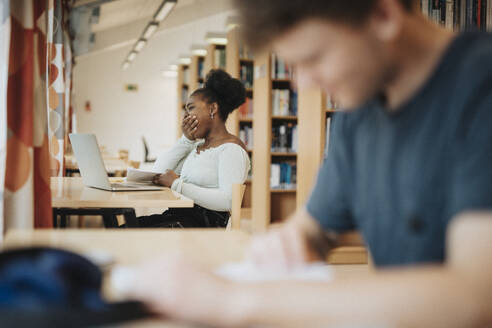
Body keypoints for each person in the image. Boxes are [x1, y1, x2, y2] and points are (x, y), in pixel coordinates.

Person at [128, 0, 492, 326]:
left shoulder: (480, 88)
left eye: (314, 58)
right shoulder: (359, 113)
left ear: (383, 14)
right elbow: (312, 229)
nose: (302, 84)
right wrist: (284, 243)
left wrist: (235, 300)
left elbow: (476, 296)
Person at [138, 69, 250, 228]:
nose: (185, 116)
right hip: (179, 219)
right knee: (124, 227)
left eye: (190, 108)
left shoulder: (231, 150)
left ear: (212, 109)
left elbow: (228, 201)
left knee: (125, 231)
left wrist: (177, 184)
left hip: (201, 228)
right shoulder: (196, 146)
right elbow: (157, 171)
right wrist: (186, 140)